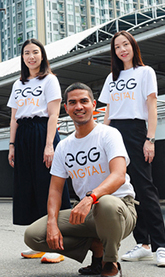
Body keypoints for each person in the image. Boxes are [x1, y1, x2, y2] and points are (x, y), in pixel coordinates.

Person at [24, 83, 137, 277]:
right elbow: (55, 190)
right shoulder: (63, 146)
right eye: (72, 102)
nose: (79, 106)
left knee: (106, 203)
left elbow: (118, 175)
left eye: (84, 101)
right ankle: (96, 247)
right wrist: (52, 223)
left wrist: (90, 198)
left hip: (120, 208)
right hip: (86, 211)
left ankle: (110, 262)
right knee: (34, 235)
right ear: (66, 108)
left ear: (94, 105)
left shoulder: (108, 134)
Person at [98, 31, 165, 267]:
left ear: (133, 46)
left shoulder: (145, 72)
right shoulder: (111, 78)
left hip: (136, 130)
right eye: (117, 47)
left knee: (145, 188)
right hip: (114, 132)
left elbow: (152, 106)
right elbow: (108, 112)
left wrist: (150, 138)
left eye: (125, 44)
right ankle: (143, 244)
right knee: (126, 189)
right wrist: (101, 136)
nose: (122, 49)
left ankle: (161, 247)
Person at [7, 39, 70, 264]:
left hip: (43, 131)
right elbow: (14, 118)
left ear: (42, 55)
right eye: (26, 53)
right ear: (22, 57)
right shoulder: (18, 84)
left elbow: (53, 114)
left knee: (48, 185)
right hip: (23, 134)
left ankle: (58, 244)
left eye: (35, 52)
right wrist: (12, 145)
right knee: (29, 187)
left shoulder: (50, 80)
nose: (31, 56)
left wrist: (49, 144)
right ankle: (39, 243)